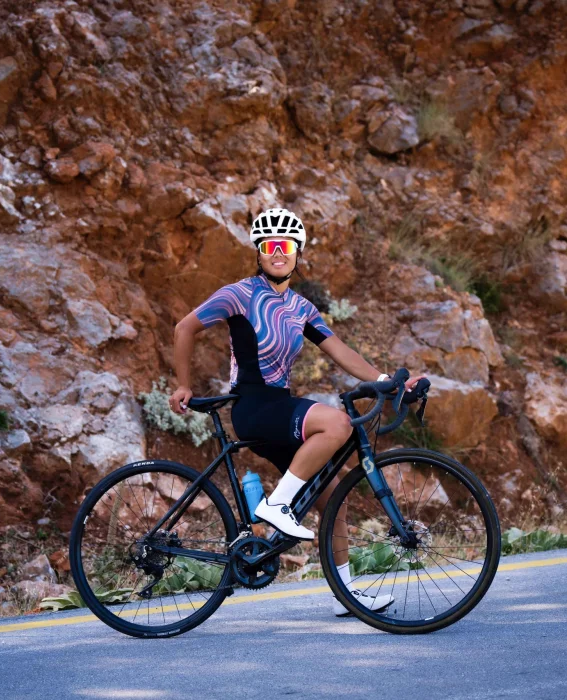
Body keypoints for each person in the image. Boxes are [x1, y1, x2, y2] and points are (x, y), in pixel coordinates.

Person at [169, 207, 426, 616]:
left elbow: (340, 350)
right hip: (254, 406)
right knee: (337, 423)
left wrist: (388, 381)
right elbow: (184, 328)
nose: (278, 252)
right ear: (259, 252)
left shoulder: (301, 308)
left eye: (285, 246)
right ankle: (276, 506)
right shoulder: (239, 294)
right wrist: (183, 384)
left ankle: (347, 595)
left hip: (279, 406)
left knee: (333, 495)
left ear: (297, 253)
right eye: (270, 245)